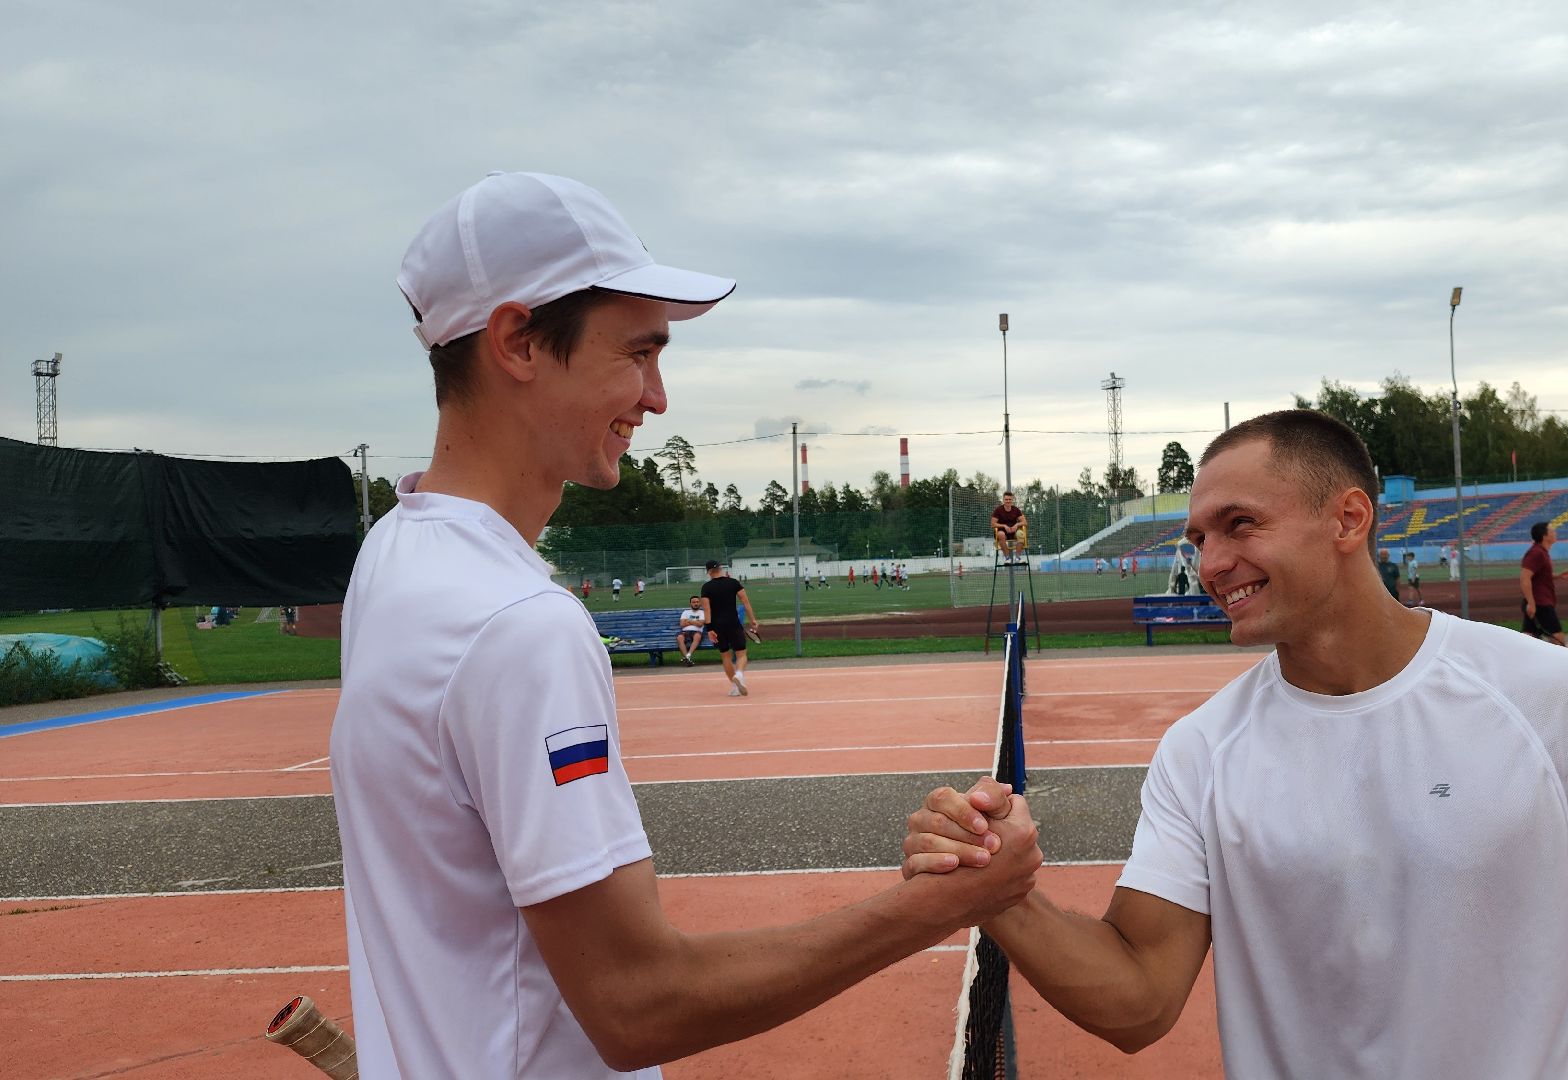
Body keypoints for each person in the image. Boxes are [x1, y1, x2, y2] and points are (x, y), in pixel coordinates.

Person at [330, 171, 1041, 1080]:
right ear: (517, 341)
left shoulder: (394, 555)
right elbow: (637, 1004)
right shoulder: (520, 626)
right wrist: (939, 907)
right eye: (636, 353)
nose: (656, 396)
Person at [903, 409, 1568, 1078]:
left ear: (1348, 518)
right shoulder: (1201, 752)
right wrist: (999, 890)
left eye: (1240, 525)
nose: (1211, 562)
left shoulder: (1554, 701)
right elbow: (1136, 996)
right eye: (1199, 537)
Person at [699, 560, 757, 695]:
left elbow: (707, 610)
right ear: (720, 568)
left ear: (708, 572)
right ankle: (739, 674)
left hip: (717, 626)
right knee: (741, 654)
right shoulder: (733, 583)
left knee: (725, 656)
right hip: (733, 623)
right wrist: (753, 619)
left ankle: (735, 687)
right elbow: (745, 602)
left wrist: (709, 629)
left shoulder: (706, 588)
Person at [1521, 521, 1568, 646]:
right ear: (1544, 536)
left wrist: (1558, 576)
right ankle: (1561, 663)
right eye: (1552, 531)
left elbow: (1538, 576)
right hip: (1540, 603)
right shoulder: (1536, 553)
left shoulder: (1541, 552)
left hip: (1539, 602)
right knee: (1558, 638)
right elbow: (1525, 578)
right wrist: (1531, 603)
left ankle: (1521, 661)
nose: (1555, 533)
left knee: (1529, 637)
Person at [991, 492, 1029, 563]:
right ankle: (1007, 558)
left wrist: (1017, 525)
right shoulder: (998, 510)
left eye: (1009, 499)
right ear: (1003, 500)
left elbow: (1025, 522)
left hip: (1013, 532)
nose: (1008, 501)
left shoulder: (1016, 510)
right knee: (1001, 535)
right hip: (1002, 532)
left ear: (1012, 500)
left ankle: (1017, 558)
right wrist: (1004, 526)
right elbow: (993, 524)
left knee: (1021, 533)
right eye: (1006, 499)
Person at [675, 595, 707, 666]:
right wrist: (695, 621)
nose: (695, 604)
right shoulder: (685, 612)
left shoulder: (702, 612)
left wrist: (689, 621)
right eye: (693, 602)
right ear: (690, 603)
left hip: (697, 632)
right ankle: (688, 658)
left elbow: (700, 624)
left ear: (700, 603)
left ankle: (688, 655)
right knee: (679, 637)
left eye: (697, 602)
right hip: (685, 631)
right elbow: (682, 624)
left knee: (697, 637)